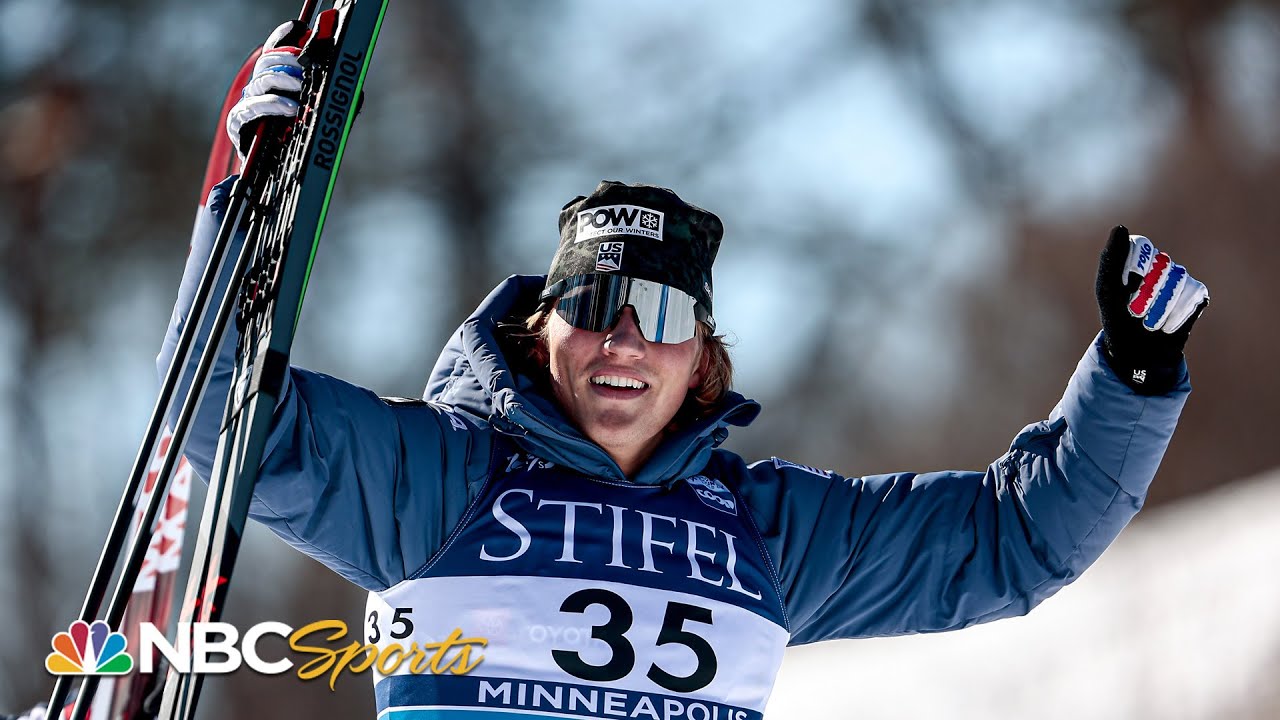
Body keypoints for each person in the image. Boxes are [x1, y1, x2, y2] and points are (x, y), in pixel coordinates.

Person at [158, 30, 1210, 720]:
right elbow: (215, 416)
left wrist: (1131, 368)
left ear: (703, 356)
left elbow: (1012, 544)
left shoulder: (759, 532)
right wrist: (236, 208)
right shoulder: (436, 482)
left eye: (658, 315)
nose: (622, 341)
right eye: (591, 308)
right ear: (541, 331)